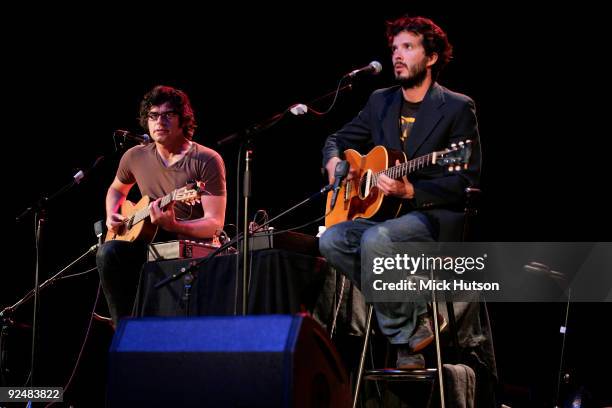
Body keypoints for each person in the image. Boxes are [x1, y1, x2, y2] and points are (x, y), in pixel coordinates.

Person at [319, 16, 481, 369]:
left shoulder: (456, 106)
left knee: (376, 240)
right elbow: (338, 141)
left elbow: (464, 180)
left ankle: (403, 335)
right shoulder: (381, 101)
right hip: (384, 218)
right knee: (331, 239)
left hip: (433, 219)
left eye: (408, 47)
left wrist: (411, 189)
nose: (397, 55)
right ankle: (414, 322)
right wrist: (335, 165)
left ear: (432, 57)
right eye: (394, 48)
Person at [96, 85, 226, 326]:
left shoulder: (206, 159)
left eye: (168, 115)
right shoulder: (135, 156)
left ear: (182, 121)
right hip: (146, 241)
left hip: (189, 245)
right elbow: (116, 189)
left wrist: (175, 225)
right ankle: (124, 328)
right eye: (153, 116)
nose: (159, 121)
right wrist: (112, 213)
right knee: (108, 252)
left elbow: (214, 224)